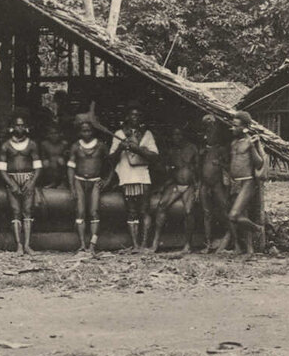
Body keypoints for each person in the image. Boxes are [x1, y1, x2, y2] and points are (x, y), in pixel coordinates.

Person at [107, 105, 159, 253]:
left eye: (138, 115)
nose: (136, 118)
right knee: (131, 211)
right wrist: (120, 148)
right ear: (127, 117)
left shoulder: (147, 134)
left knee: (144, 210)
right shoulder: (119, 134)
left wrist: (138, 149)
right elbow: (111, 159)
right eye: (133, 115)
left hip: (143, 176)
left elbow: (155, 156)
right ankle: (135, 245)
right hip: (126, 176)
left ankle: (144, 245)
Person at [146, 125, 202, 253]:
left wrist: (198, 187)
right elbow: (169, 171)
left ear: (184, 135)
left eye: (179, 134)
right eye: (174, 135)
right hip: (176, 184)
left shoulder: (192, 148)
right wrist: (164, 185)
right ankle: (155, 243)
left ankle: (188, 245)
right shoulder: (171, 151)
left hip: (190, 185)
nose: (177, 137)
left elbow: (198, 170)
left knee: (189, 211)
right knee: (161, 205)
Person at [0, 112, 44, 253]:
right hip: (11, 179)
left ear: (26, 127)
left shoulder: (32, 144)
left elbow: (38, 167)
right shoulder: (5, 146)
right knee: (15, 211)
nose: (20, 128)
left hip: (28, 179)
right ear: (12, 127)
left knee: (27, 211)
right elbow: (2, 169)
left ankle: (27, 245)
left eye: (22, 125)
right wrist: (11, 184)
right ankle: (19, 245)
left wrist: (32, 182)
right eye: (17, 125)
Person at [66, 114, 111, 253]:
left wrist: (107, 181)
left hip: (95, 181)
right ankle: (82, 244)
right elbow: (70, 167)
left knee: (94, 211)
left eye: (89, 130)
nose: (86, 133)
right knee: (80, 211)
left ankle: (92, 244)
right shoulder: (75, 146)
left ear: (93, 131)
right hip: (79, 181)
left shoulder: (101, 146)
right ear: (80, 132)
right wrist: (72, 187)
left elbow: (111, 165)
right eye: (84, 131)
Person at [227, 110, 270, 254]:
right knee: (242, 215)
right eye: (232, 125)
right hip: (235, 183)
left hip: (247, 182)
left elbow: (259, 163)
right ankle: (249, 249)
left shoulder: (250, 142)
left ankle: (258, 228)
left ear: (244, 127)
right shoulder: (233, 143)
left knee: (233, 215)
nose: (232, 128)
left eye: (236, 126)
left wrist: (252, 147)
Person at [192, 114, 234, 253]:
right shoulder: (204, 150)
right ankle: (208, 244)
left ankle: (232, 240)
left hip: (217, 184)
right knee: (206, 214)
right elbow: (198, 168)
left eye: (211, 131)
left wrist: (220, 163)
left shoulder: (221, 149)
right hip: (205, 184)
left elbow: (230, 166)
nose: (208, 135)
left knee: (224, 209)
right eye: (207, 131)